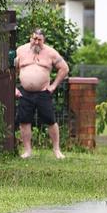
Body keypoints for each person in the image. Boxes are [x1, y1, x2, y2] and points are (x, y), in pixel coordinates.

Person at [14, 28, 69, 159]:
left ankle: (57, 150)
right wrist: (14, 88)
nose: (36, 42)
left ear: (43, 40)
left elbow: (64, 68)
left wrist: (54, 86)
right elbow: (11, 70)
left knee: (50, 120)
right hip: (25, 92)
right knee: (24, 121)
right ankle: (27, 151)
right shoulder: (20, 51)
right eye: (34, 39)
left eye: (39, 40)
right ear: (30, 38)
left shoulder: (51, 53)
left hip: (43, 92)